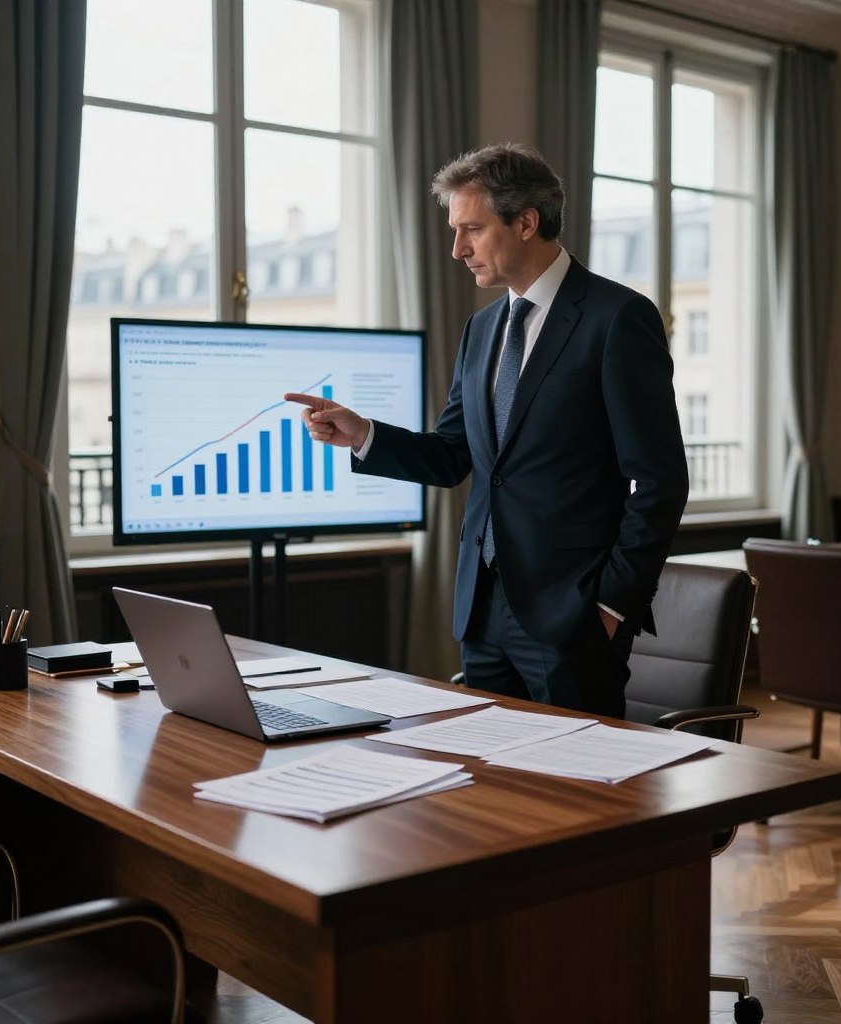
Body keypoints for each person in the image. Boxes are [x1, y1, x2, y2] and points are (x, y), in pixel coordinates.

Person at [285, 143, 688, 717]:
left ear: (526, 223)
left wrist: (611, 606)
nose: (457, 249)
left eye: (471, 229)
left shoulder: (617, 318)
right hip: (482, 612)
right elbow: (453, 456)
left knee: (573, 797)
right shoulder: (482, 328)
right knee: (490, 789)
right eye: (455, 231)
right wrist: (363, 434)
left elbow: (660, 482)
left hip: (572, 614)